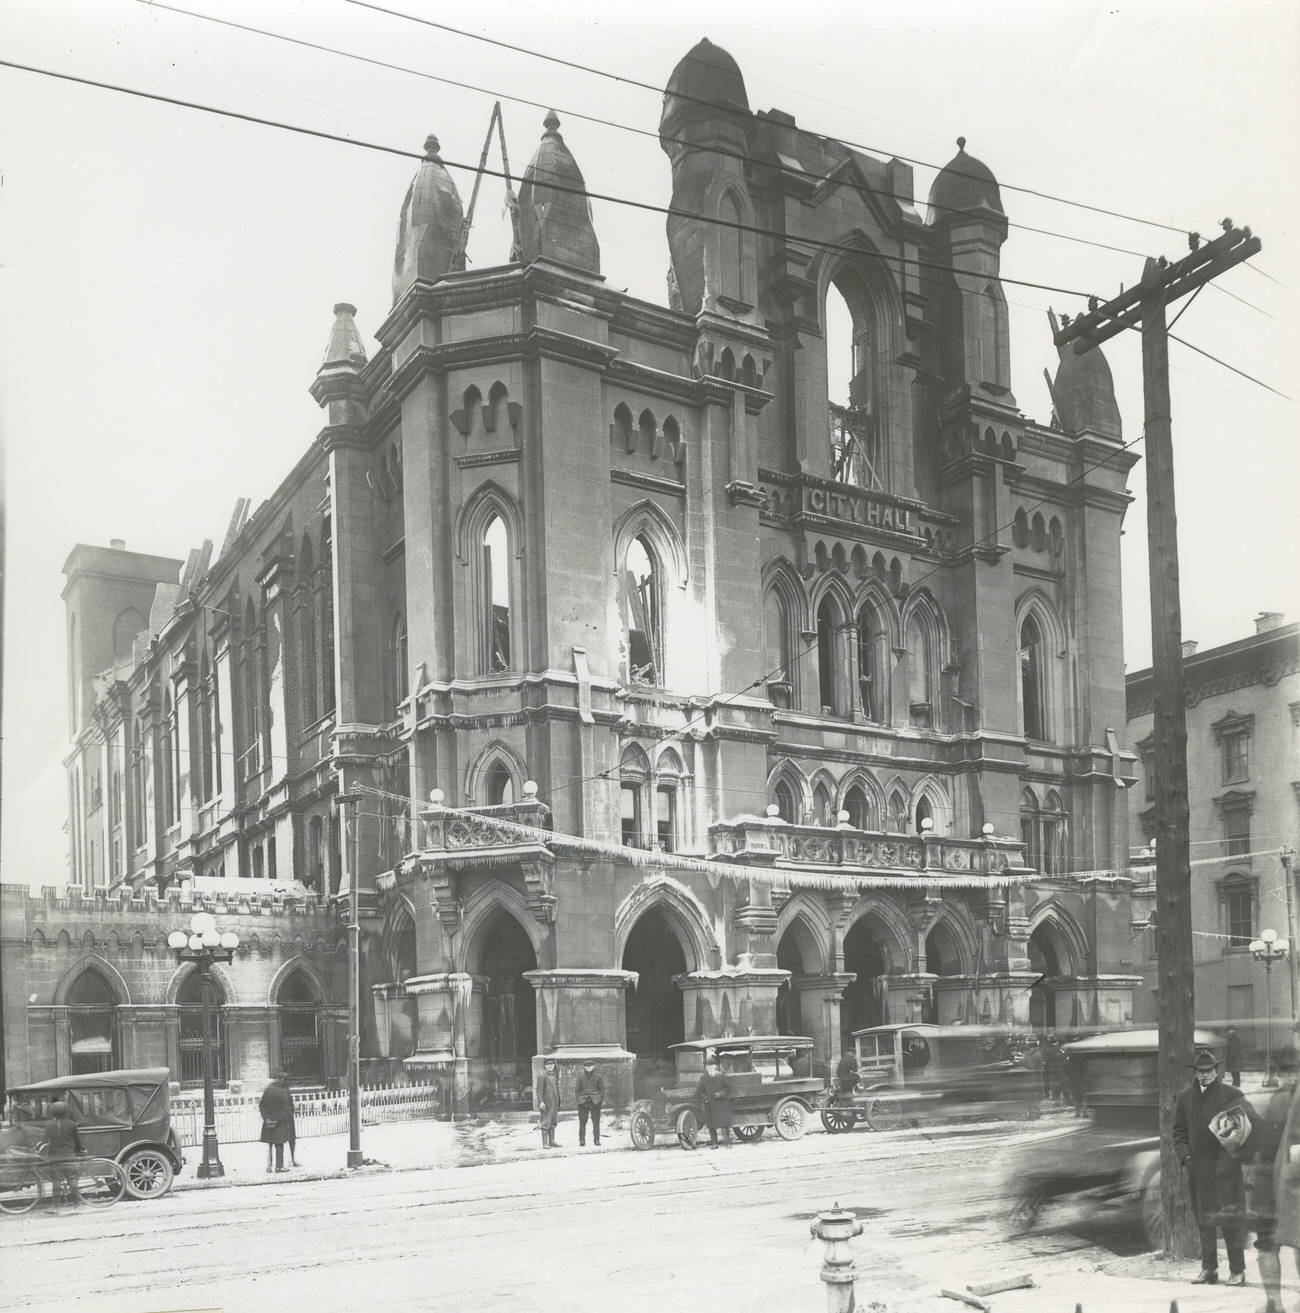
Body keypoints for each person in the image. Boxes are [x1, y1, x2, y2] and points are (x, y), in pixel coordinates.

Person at [1172, 1047, 1260, 1287]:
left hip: (1227, 1172)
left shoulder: (1231, 1094)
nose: (1204, 1075)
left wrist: (1238, 1156)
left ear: (1216, 1070)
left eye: (1208, 1070)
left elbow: (1252, 1128)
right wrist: (1186, 1159)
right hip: (1199, 1172)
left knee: (1230, 1221)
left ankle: (1237, 1271)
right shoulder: (1185, 1097)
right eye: (1200, 1071)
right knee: (1205, 1220)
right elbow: (1178, 1133)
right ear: (1195, 1072)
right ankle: (1209, 1269)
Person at [1243, 1048, 1300, 1313]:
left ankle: (1276, 1302)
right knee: (1269, 1242)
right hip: (1273, 1182)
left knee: (1284, 1241)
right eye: (1286, 1072)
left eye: (1293, 1071)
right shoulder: (1275, 1099)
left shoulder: (1272, 1100)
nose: (1290, 1077)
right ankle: (1274, 1302)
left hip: (1283, 1183)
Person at [42, 1100, 84, 1207]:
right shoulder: (71, 1124)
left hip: (55, 1158)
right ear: (65, 1111)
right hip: (69, 1157)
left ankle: (56, 1205)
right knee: (72, 1179)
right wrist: (81, 1150)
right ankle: (76, 1204)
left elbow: (45, 1141)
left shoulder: (49, 1125)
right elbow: (77, 1141)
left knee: (56, 1181)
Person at [259, 1072, 296, 1173]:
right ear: (281, 1079)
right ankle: (279, 1166)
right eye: (283, 1079)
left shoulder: (268, 1090)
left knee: (270, 1144)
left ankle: (269, 1166)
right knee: (279, 1144)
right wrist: (278, 1120)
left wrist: (266, 1119)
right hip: (280, 1122)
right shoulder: (284, 1091)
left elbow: (262, 1105)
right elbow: (286, 1108)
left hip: (269, 1122)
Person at [696, 1055, 733, 1149]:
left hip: (721, 1104)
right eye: (708, 1065)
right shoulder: (703, 1077)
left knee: (724, 1125)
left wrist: (720, 1093)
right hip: (710, 1105)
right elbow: (699, 1091)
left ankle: (727, 1143)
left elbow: (728, 1088)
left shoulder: (721, 1075)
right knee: (711, 1126)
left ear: (716, 1066)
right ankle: (714, 1143)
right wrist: (705, 1099)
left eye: (712, 1065)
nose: (710, 1067)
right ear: (706, 1067)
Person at [575, 1060, 604, 1147]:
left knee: (596, 1122)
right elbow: (577, 1090)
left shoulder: (598, 1077)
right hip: (583, 1102)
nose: (588, 1068)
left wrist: (600, 1100)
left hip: (595, 1102)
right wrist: (579, 1100)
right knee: (582, 1122)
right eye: (587, 1066)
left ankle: (596, 1140)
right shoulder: (580, 1077)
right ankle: (582, 1140)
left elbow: (602, 1089)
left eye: (590, 1066)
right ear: (584, 1067)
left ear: (593, 1067)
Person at [536, 1057, 560, 1149]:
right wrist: (541, 1102)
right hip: (546, 1104)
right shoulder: (542, 1076)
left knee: (553, 1122)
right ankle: (545, 1143)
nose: (550, 1066)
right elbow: (539, 1091)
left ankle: (552, 1141)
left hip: (555, 1103)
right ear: (545, 1066)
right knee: (546, 1123)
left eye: (552, 1064)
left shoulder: (553, 1076)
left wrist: (559, 1102)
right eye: (548, 1065)